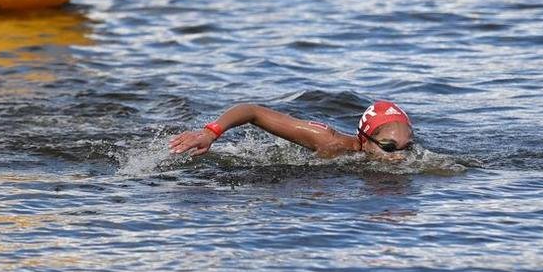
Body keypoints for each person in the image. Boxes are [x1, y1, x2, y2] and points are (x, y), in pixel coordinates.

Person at [169, 100, 414, 159]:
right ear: (364, 139)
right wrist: (211, 133)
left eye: (407, 148)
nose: (400, 157)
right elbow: (252, 111)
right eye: (389, 148)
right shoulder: (329, 141)